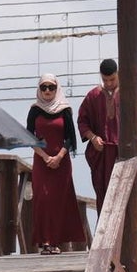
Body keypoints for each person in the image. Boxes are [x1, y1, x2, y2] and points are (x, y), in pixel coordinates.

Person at [77, 58, 137, 216]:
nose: (109, 83)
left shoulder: (130, 94)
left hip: (125, 154)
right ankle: (105, 237)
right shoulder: (93, 96)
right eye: (105, 80)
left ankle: (132, 237)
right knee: (104, 196)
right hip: (102, 155)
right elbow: (82, 121)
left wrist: (130, 137)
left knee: (128, 195)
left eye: (112, 79)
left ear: (118, 75)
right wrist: (92, 137)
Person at [25, 74, 86, 255]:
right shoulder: (34, 110)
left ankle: (56, 242)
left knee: (59, 201)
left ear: (57, 88)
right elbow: (29, 137)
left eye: (51, 87)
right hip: (41, 160)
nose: (47, 91)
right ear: (39, 89)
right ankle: (45, 242)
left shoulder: (64, 109)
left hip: (61, 162)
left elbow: (70, 138)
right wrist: (45, 157)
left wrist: (58, 157)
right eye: (43, 87)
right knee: (42, 200)